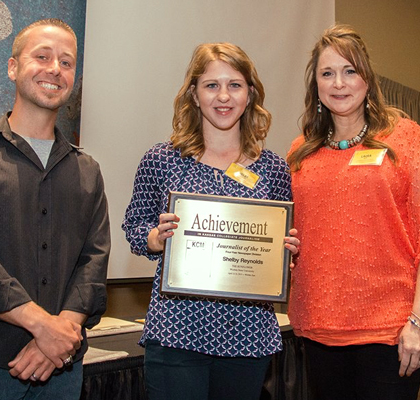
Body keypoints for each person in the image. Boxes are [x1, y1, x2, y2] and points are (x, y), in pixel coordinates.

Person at [0, 18, 110, 400]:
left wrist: (59, 334)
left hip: (63, 368)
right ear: (13, 67)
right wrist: (44, 328)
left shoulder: (87, 171)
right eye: (42, 56)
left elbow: (93, 261)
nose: (55, 70)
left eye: (67, 62)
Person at [286, 24, 420, 400]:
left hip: (392, 330)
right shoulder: (300, 153)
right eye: (327, 73)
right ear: (315, 85)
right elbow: (296, 237)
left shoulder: (406, 138)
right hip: (318, 328)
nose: (339, 83)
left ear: (368, 79)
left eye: (350, 71)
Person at [122, 42, 299, 400]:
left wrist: (287, 252)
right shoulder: (161, 158)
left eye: (234, 85)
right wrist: (155, 237)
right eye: (211, 85)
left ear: (250, 94)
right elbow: (134, 227)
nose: (224, 96)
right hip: (176, 330)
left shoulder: (274, 169)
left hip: (247, 335)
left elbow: (278, 241)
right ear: (194, 94)